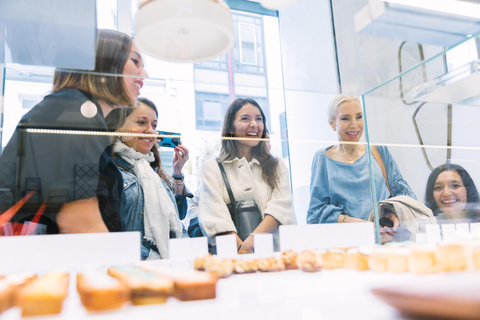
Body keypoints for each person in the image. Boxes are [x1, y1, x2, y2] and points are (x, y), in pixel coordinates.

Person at [0, 29, 148, 234]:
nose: (144, 74)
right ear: (103, 63)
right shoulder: (76, 113)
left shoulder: (69, 110)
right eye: (135, 61)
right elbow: (79, 221)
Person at [199, 98, 294, 254]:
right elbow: (215, 217)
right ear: (230, 127)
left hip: (273, 255)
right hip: (230, 257)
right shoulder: (213, 168)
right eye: (245, 118)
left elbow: (280, 208)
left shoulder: (276, 166)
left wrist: (250, 244)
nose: (254, 124)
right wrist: (241, 250)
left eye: (259, 119)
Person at [307, 95, 416, 228]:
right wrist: (355, 223)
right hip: (346, 240)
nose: (354, 125)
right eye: (345, 118)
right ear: (332, 123)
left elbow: (404, 195)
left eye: (359, 117)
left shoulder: (378, 151)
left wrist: (391, 215)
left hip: (385, 236)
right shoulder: (322, 158)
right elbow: (315, 214)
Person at [113, 97, 191, 259]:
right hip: (136, 267)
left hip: (170, 265)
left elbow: (178, 216)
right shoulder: (111, 170)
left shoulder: (153, 172)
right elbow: (113, 236)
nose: (151, 130)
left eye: (154, 125)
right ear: (120, 127)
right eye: (141, 123)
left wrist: (178, 172)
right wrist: (152, 257)